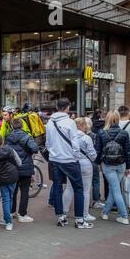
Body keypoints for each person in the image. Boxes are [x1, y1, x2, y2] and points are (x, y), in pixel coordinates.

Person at [46, 98, 93, 229]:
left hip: (55, 160)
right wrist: (76, 156)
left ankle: (61, 218)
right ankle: (79, 220)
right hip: (69, 160)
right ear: (67, 107)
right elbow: (75, 142)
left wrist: (54, 154)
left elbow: (48, 143)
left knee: (57, 187)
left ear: (57, 107)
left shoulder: (50, 122)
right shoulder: (70, 122)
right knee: (78, 188)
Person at [95, 110, 130, 225]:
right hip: (121, 164)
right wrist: (128, 167)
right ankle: (105, 212)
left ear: (107, 119)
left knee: (115, 189)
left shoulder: (101, 133)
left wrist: (98, 164)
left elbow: (98, 151)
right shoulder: (124, 133)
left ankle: (124, 216)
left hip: (108, 165)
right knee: (114, 188)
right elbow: (127, 152)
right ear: (118, 119)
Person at [62, 117, 97, 222]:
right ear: (81, 126)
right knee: (85, 190)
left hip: (72, 163)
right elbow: (92, 155)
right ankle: (84, 214)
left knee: (69, 188)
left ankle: (64, 212)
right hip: (86, 164)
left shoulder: (69, 138)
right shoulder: (87, 138)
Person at [6, 118, 39, 223]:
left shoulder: (8, 137)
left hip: (13, 167)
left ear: (12, 126)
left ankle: (12, 212)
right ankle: (22, 214)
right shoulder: (26, 137)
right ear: (22, 126)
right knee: (24, 191)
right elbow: (35, 148)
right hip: (25, 167)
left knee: (13, 191)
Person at [0, 134, 22, 231]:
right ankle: (7, 218)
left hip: (2, 177)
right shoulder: (10, 149)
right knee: (11, 197)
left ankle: (8, 221)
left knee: (5, 199)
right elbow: (19, 162)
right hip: (13, 175)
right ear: (2, 141)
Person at [118, 105, 130, 214]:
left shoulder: (114, 125)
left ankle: (118, 205)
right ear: (128, 113)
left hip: (116, 157)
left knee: (117, 183)